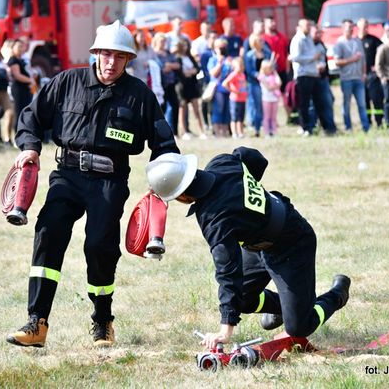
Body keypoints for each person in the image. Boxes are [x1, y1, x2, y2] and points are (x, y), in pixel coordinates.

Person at [5, 21, 179, 348]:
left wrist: (165, 178)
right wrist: (29, 146)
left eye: (119, 56)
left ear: (128, 60)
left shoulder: (139, 95)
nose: (111, 62)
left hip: (109, 180)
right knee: (48, 231)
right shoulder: (66, 82)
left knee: (100, 245)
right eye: (105, 54)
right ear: (95, 53)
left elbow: (164, 143)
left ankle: (102, 321)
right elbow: (31, 117)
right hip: (66, 175)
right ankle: (36, 322)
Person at [145, 149, 351, 349]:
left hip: (292, 243)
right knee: (241, 300)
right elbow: (255, 157)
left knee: (299, 327)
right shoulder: (222, 163)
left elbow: (228, 271)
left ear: (182, 196)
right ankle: (285, 307)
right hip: (258, 244)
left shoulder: (214, 219)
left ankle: (338, 293)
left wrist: (225, 330)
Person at [289, 19, 329, 136]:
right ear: (300, 26)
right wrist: (312, 57)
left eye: (309, 25)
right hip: (303, 75)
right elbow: (295, 57)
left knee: (318, 102)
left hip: (313, 74)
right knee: (304, 103)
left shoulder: (309, 39)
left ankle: (323, 127)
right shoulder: (297, 40)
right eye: (306, 25)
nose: (308, 27)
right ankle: (305, 127)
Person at [333, 19, 370, 133]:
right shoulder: (339, 43)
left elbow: (363, 60)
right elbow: (337, 61)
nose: (350, 29)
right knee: (347, 105)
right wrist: (352, 59)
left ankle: (366, 128)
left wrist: (364, 73)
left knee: (362, 104)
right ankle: (348, 127)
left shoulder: (357, 42)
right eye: (348, 27)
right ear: (343, 28)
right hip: (346, 79)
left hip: (358, 78)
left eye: (351, 27)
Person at [172, 40, 206, 140]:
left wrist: (191, 72)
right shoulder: (177, 58)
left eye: (186, 46)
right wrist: (190, 72)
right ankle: (184, 131)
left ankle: (201, 131)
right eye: (183, 46)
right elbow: (181, 73)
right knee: (182, 110)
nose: (185, 48)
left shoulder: (190, 57)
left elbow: (197, 69)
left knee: (196, 109)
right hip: (182, 87)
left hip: (192, 85)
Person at [357, 18, 384, 127]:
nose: (365, 29)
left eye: (366, 26)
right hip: (360, 76)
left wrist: (378, 67)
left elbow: (383, 52)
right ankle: (367, 122)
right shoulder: (355, 42)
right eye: (363, 26)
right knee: (364, 101)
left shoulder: (374, 40)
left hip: (372, 76)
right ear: (358, 27)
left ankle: (379, 122)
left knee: (377, 100)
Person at [152, 33, 180, 136]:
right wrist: (165, 68)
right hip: (159, 85)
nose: (163, 43)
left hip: (170, 84)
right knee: (161, 108)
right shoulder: (154, 54)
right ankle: (159, 131)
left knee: (174, 106)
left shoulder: (168, 53)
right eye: (161, 41)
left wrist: (169, 65)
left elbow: (177, 64)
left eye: (164, 41)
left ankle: (174, 131)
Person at [310, 24, 336, 135]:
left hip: (322, 78)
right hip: (310, 78)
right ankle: (312, 127)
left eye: (320, 33)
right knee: (311, 106)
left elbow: (324, 60)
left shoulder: (321, 44)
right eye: (316, 33)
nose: (318, 35)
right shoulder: (306, 44)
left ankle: (330, 128)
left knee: (328, 102)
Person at [244, 33, 269, 137]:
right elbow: (249, 70)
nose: (263, 43)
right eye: (260, 41)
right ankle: (257, 128)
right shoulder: (249, 55)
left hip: (266, 83)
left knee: (267, 106)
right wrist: (258, 75)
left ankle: (268, 129)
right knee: (258, 106)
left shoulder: (267, 53)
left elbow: (272, 65)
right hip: (255, 84)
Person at [208, 38, 232, 137]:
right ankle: (217, 132)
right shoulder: (212, 60)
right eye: (219, 47)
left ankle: (225, 132)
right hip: (218, 89)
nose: (222, 49)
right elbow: (213, 74)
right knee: (218, 110)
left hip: (228, 88)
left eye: (223, 47)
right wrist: (219, 63)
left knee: (227, 111)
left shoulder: (229, 59)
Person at [7, 39, 35, 128]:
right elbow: (17, 75)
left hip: (26, 89)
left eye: (22, 47)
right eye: (18, 46)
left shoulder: (22, 59)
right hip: (18, 89)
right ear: (13, 48)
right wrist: (30, 80)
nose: (20, 49)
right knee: (19, 111)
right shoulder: (13, 60)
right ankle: (17, 132)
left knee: (26, 111)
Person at [222, 57, 247, 138]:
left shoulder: (243, 75)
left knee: (241, 117)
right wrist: (233, 90)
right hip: (235, 99)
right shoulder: (233, 74)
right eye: (240, 65)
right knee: (234, 117)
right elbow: (225, 83)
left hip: (242, 99)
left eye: (242, 65)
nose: (242, 67)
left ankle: (240, 132)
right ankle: (234, 133)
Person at [258, 60, 281, 137]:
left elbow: (280, 83)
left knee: (273, 117)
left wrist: (275, 72)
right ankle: (267, 132)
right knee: (267, 117)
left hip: (274, 99)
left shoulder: (274, 76)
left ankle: (274, 131)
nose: (271, 69)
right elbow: (268, 88)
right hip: (266, 99)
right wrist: (275, 87)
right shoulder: (262, 77)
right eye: (269, 68)